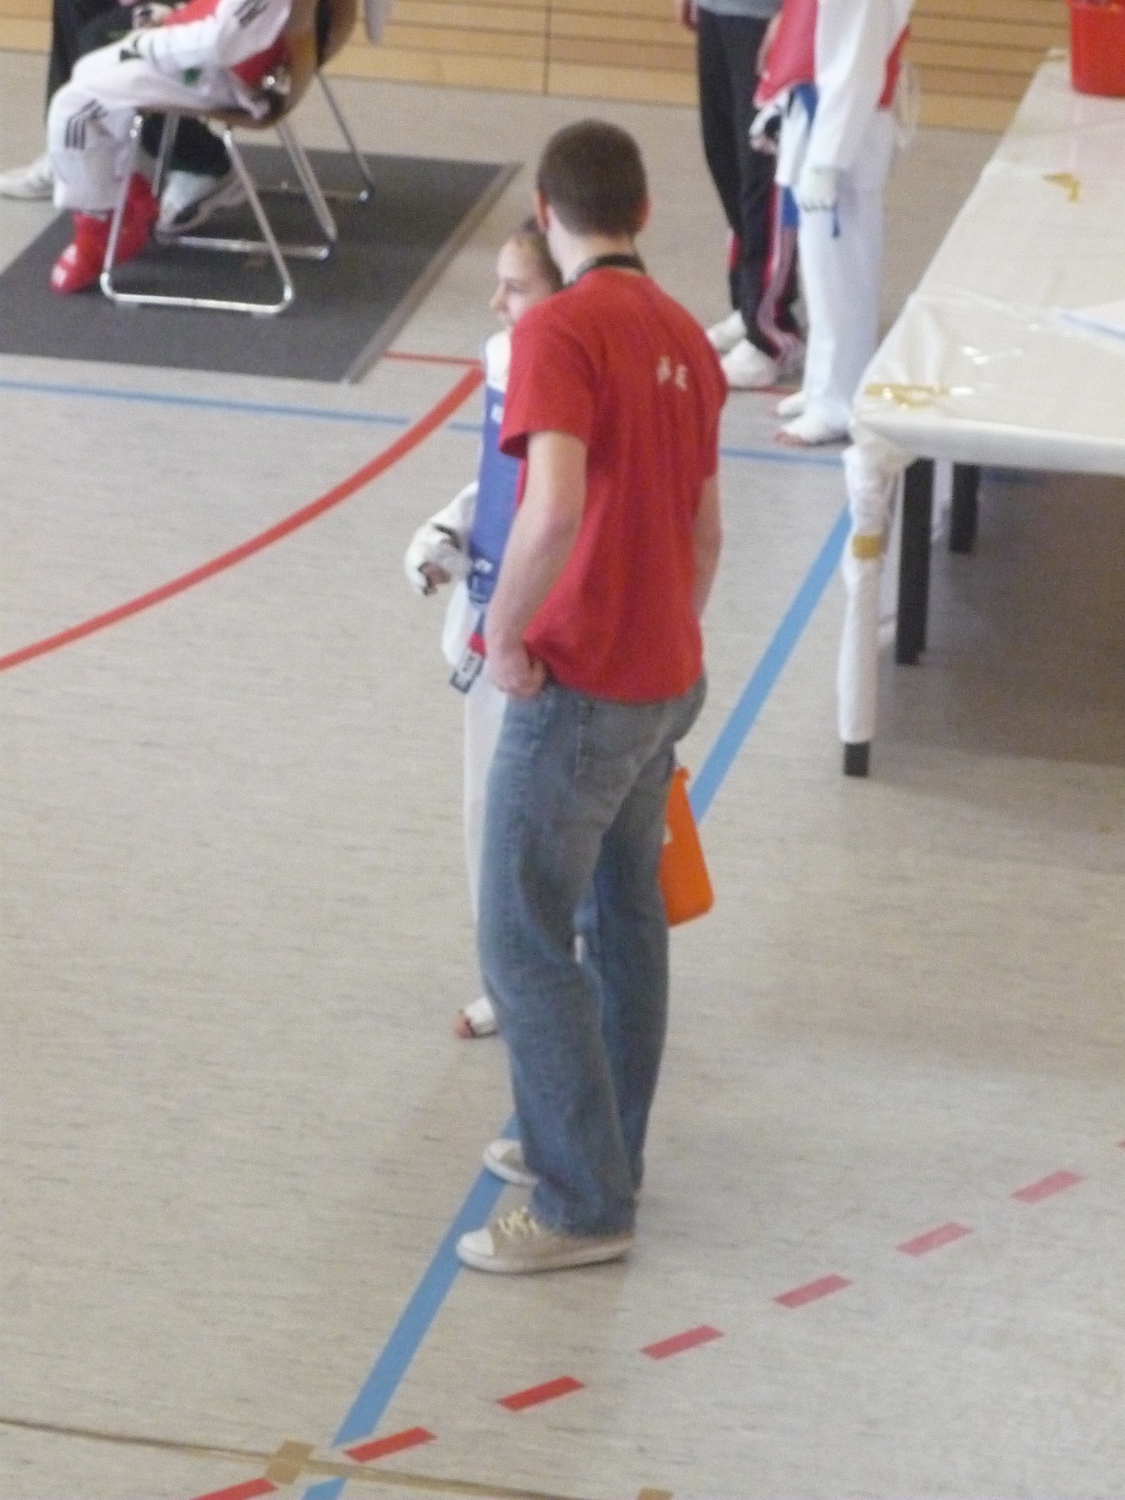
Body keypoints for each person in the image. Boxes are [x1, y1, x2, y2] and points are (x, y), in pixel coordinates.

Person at [455, 120, 725, 1275]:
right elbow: (706, 536)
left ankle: (581, 1204)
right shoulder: (687, 336)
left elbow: (553, 507)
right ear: (644, 212)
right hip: (666, 677)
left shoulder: (558, 331)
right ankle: (606, 1149)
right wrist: (666, 636)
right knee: (624, 919)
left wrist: (507, 634)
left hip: (585, 685)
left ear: (545, 212)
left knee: (521, 935)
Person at [403, 220, 563, 1042]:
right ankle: (508, 974)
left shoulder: (572, 373)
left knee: (553, 818)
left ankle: (564, 971)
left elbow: (560, 504)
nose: (496, 302)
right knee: (486, 807)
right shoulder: (504, 360)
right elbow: (502, 483)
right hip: (494, 618)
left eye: (516, 287)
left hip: (556, 632)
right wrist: (449, 533)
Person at [45, 0, 306, 293]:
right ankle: (123, 192)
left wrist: (149, 44)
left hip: (225, 75)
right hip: (219, 55)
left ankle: (97, 230)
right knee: (88, 69)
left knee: (73, 107)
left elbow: (221, 43)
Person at [754, 0, 912, 445]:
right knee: (823, 275)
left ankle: (837, 400)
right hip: (818, 119)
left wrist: (828, 160)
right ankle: (823, 384)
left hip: (842, 138)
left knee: (841, 277)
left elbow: (857, 66)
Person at [0, 0, 244, 231]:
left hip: (223, 20)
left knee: (99, 40)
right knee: (74, 4)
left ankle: (203, 163)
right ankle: (68, 152)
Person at [676, 0, 802, 390]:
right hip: (718, 11)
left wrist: (795, 14)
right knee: (725, 157)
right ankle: (750, 303)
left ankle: (772, 334)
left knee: (762, 173)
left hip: (766, 16)